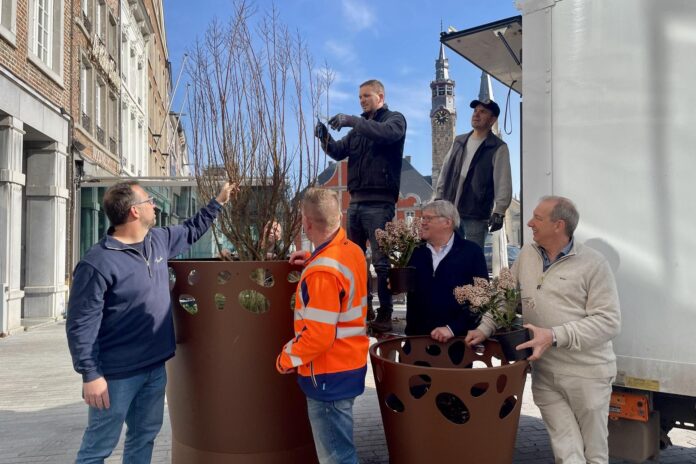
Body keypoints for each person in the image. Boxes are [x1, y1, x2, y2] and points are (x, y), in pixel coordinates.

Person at [66, 180, 237, 463]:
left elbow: (193, 229)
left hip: (155, 368)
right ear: (134, 211)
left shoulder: (158, 240)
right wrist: (90, 374)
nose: (154, 205)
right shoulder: (98, 263)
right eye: (148, 201)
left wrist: (218, 201)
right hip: (115, 376)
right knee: (97, 448)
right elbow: (81, 323)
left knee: (143, 438)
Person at [466, 196, 621, 464]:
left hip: (587, 376)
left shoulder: (594, 264)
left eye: (537, 218)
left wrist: (554, 336)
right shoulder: (527, 254)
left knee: (594, 454)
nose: (529, 223)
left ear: (559, 225)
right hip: (546, 375)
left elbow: (608, 321)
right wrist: (484, 328)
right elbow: (505, 296)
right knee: (566, 453)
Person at [276, 188, 368, 464]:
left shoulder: (322, 273)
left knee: (338, 458)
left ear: (306, 223)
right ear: (337, 217)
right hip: (348, 365)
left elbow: (318, 337)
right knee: (343, 450)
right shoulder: (351, 251)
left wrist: (285, 358)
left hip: (328, 374)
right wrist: (313, 260)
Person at [315, 79, 407, 333]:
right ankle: (363, 310)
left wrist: (353, 120)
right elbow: (337, 151)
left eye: (366, 96)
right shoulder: (357, 130)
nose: (362, 101)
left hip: (380, 202)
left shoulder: (395, 119)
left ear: (381, 95)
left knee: (380, 261)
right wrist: (324, 137)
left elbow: (388, 134)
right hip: (356, 203)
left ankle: (386, 312)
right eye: (360, 97)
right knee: (355, 261)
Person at [405, 200, 488, 342]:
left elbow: (481, 298)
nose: (422, 222)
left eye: (428, 218)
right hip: (417, 341)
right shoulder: (414, 251)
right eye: (422, 218)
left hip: (456, 343)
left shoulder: (471, 252)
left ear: (447, 222)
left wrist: (453, 328)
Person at [434, 98, 512, 249]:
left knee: (472, 257)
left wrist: (500, 211)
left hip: (475, 214)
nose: (476, 115)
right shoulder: (459, 141)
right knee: (449, 256)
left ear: (493, 119)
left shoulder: (498, 147)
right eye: (475, 111)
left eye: (483, 112)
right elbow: (445, 171)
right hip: (449, 211)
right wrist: (438, 198)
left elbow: (503, 180)